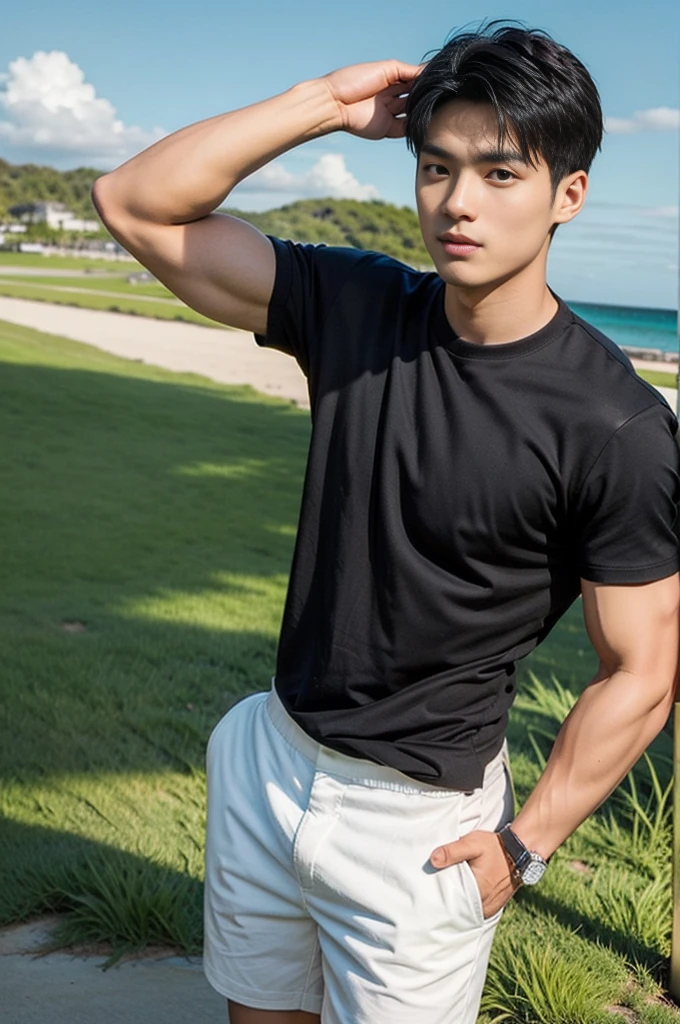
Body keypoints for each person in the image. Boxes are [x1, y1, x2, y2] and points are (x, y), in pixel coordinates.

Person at [92, 21, 680, 1024]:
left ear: (565, 196)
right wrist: (322, 101)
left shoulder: (613, 423)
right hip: (271, 761)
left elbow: (640, 669)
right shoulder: (357, 307)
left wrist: (521, 845)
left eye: (500, 174)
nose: (456, 202)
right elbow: (136, 203)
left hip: (421, 829)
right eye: (435, 167)